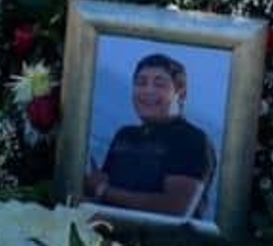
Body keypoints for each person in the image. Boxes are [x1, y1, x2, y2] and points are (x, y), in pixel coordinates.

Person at [85, 54, 216, 218]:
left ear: (180, 92)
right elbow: (99, 188)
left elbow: (175, 210)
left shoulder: (192, 139)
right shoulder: (125, 135)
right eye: (141, 83)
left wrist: (103, 191)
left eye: (159, 84)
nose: (148, 91)